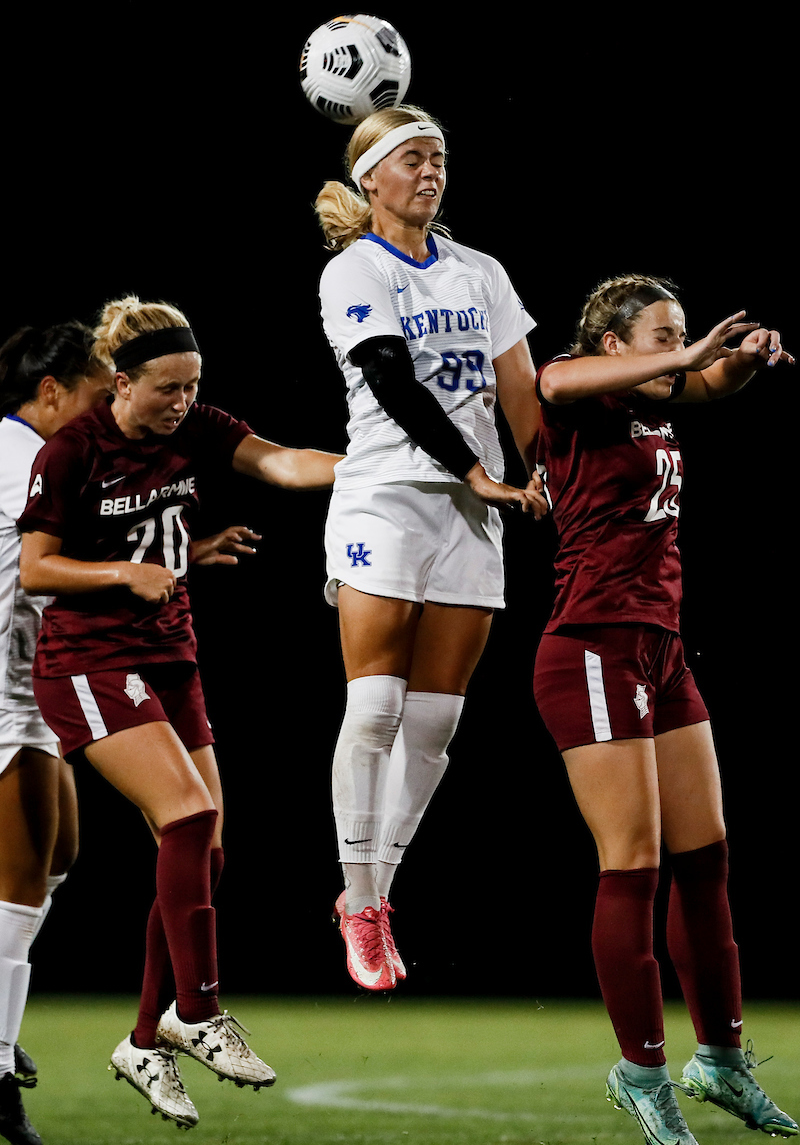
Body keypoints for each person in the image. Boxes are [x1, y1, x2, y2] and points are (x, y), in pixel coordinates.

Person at [17, 296, 340, 1130]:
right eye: (167, 387)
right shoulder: (71, 450)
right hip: (88, 661)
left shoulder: (195, 430)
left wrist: (387, 467)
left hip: (170, 657)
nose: (183, 402)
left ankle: (142, 1041)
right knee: (189, 817)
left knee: (208, 850)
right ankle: (196, 1013)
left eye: (194, 386)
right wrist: (128, 576)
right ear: (119, 383)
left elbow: (284, 464)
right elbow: (40, 570)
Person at [532, 275, 797, 1144]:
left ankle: (718, 1061)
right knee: (633, 865)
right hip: (592, 646)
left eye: (684, 332)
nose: (682, 348)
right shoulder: (578, 388)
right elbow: (550, 380)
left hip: (661, 646)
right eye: (661, 333)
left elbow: (715, 384)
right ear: (614, 343)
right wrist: (687, 354)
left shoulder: (654, 402)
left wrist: (743, 358)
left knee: (708, 859)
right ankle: (641, 1071)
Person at [314, 105, 547, 991]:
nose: (430, 170)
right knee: (374, 708)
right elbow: (387, 374)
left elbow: (518, 388)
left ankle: (373, 896)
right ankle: (361, 899)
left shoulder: (480, 272)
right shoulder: (355, 270)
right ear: (372, 178)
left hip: (470, 512)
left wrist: (542, 473)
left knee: (437, 722)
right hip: (383, 500)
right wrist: (476, 470)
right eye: (412, 158)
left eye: (438, 157)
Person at [0, 321, 114, 1145]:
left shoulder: (37, 454)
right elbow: (70, 550)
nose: (104, 415)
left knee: (61, 853)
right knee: (20, 880)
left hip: (27, 686)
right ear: (49, 395)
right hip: (1, 694)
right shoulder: (20, 461)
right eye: (96, 398)